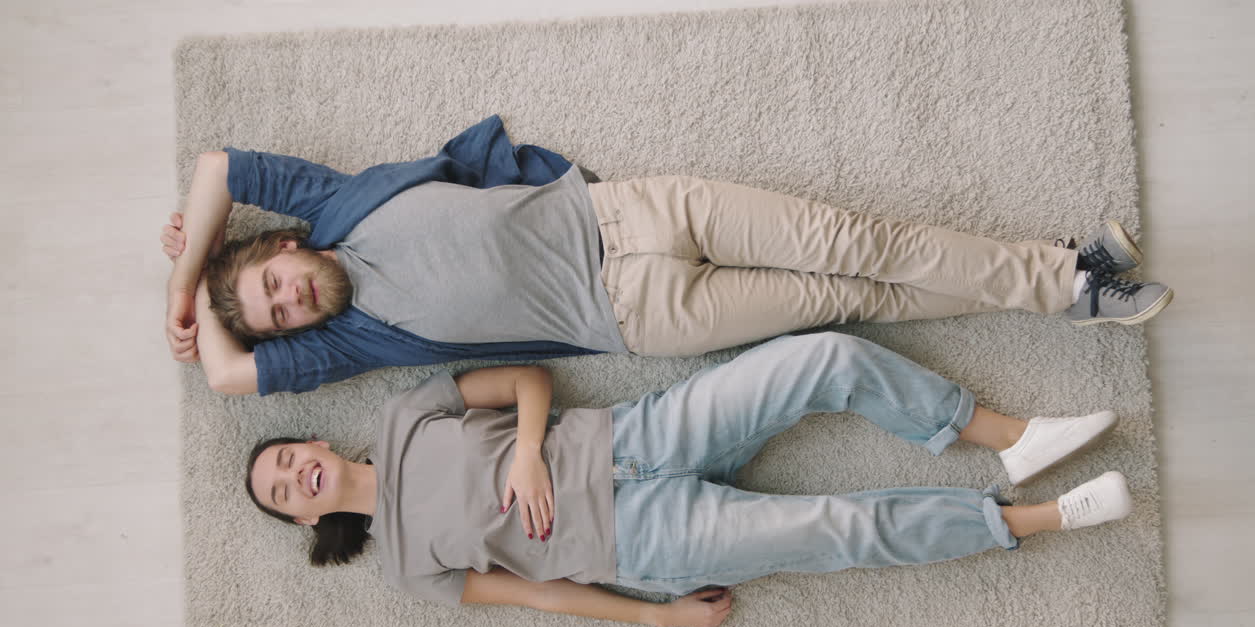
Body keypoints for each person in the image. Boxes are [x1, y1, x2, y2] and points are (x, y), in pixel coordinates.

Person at [163, 116, 1173, 396]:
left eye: (272, 283)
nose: (294, 301)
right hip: (639, 316)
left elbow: (218, 165)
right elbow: (224, 374)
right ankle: (1062, 278)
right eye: (286, 313)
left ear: (280, 245)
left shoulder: (336, 204)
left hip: (637, 210)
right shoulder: (350, 343)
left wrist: (186, 274)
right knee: (846, 294)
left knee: (864, 240)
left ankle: (1060, 281)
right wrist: (209, 318)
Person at [244, 332, 1133, 627]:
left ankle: (1012, 438)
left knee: (821, 357)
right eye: (284, 492)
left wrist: (523, 449)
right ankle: (1036, 517)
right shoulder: (406, 567)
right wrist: (658, 616)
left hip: (637, 436)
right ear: (305, 519)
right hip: (641, 541)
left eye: (285, 459)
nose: (295, 476)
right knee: (834, 531)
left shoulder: (408, 415)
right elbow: (541, 600)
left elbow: (527, 381)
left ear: (313, 440)